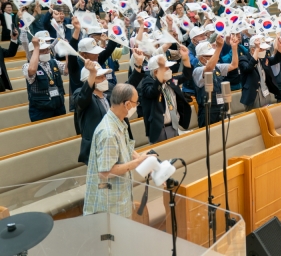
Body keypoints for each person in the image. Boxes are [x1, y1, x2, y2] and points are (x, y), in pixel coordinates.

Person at [83, 83, 148, 218]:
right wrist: (135, 164)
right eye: (136, 103)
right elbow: (106, 172)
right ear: (127, 104)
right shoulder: (108, 133)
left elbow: (124, 148)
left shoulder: (119, 123)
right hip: (109, 205)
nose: (136, 106)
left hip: (120, 197)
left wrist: (140, 158)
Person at [75, 50, 146, 163]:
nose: (104, 79)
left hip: (118, 141)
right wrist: (92, 74)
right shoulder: (80, 93)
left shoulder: (108, 91)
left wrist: (138, 65)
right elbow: (83, 99)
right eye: (99, 77)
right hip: (99, 149)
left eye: (104, 76)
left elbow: (126, 89)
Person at [138, 48, 193, 144]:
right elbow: (153, 91)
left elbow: (186, 76)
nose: (169, 70)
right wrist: (161, 70)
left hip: (174, 126)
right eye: (166, 68)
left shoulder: (170, 81)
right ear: (156, 72)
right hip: (159, 130)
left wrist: (185, 58)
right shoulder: (147, 83)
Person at [192, 35, 239, 128]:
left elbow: (234, 65)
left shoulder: (217, 67)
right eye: (211, 56)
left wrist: (234, 48)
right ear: (202, 58)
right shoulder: (197, 70)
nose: (216, 57)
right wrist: (219, 47)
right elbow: (208, 68)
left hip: (221, 107)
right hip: (208, 111)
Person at [22, 32, 69, 122]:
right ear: (34, 52)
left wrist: (68, 54)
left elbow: (66, 71)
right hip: (41, 110)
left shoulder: (53, 62)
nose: (46, 52)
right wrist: (36, 47)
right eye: (43, 50)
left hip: (58, 106)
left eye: (47, 49)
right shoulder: (26, 66)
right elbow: (32, 71)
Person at [239, 35, 281, 111]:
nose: (264, 51)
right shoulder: (243, 59)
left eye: (264, 49)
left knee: (268, 115)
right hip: (253, 95)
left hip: (266, 92)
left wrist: (280, 47)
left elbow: (276, 59)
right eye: (261, 49)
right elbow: (248, 68)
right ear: (253, 50)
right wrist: (257, 50)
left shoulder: (263, 59)